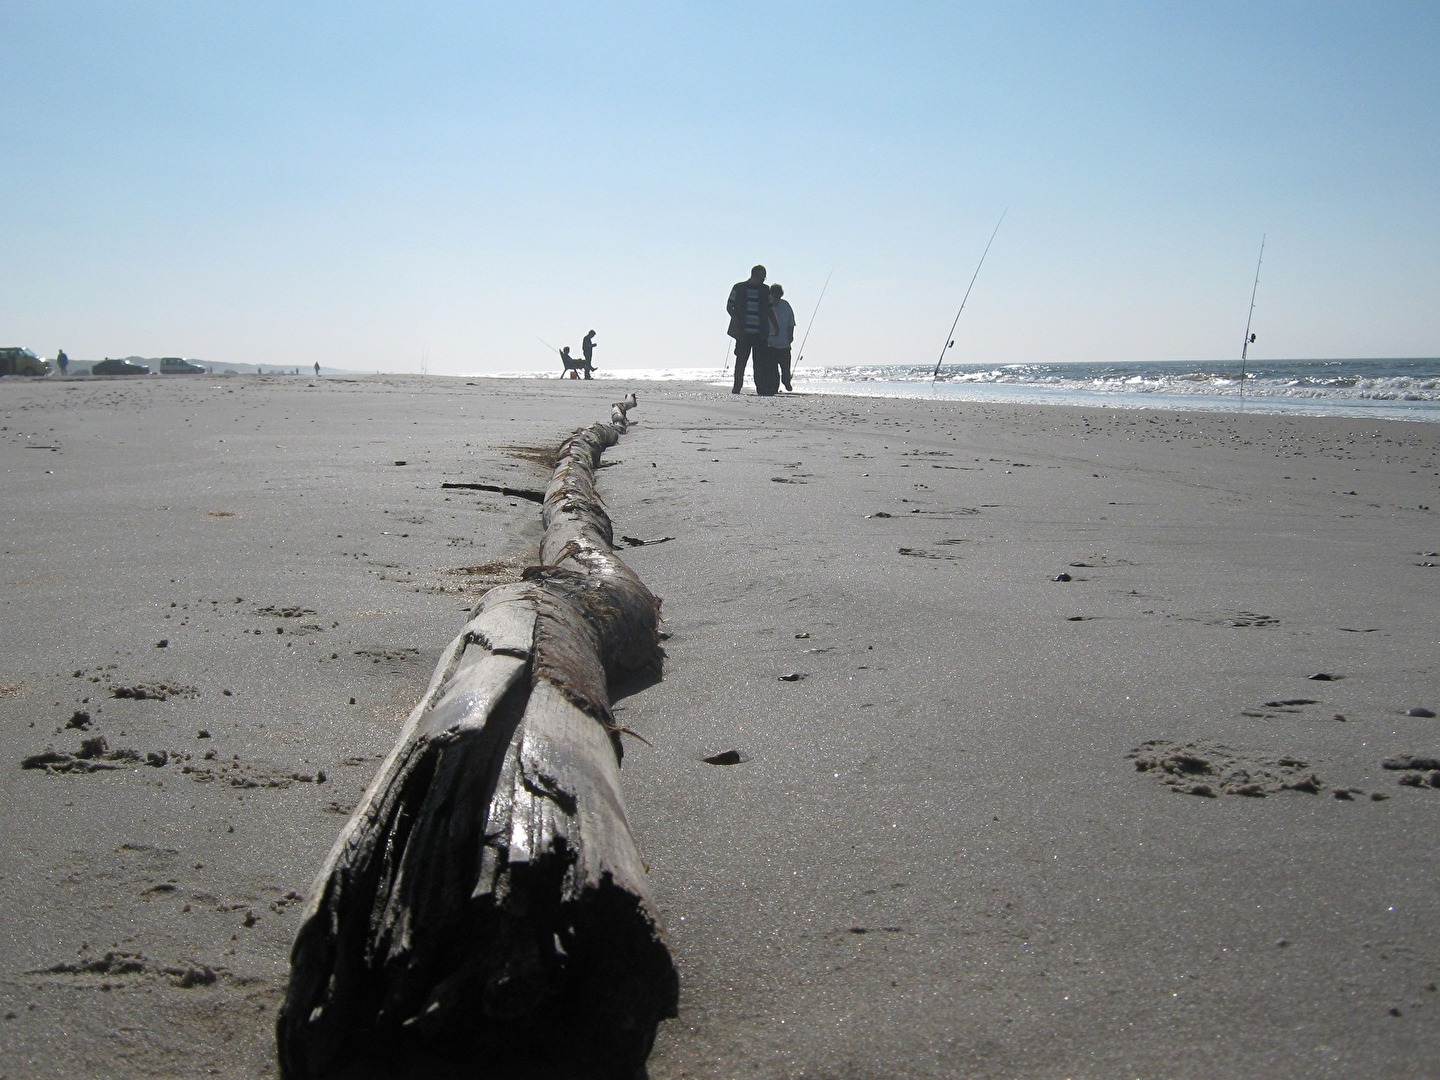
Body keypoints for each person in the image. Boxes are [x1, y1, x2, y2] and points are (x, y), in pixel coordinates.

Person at [726, 265, 774, 394]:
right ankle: (737, 387)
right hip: (743, 332)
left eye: (764, 277)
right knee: (741, 361)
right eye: (761, 277)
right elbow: (729, 306)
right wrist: (736, 319)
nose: (763, 279)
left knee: (759, 363)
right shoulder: (739, 287)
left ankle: (761, 388)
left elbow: (770, 309)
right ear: (754, 275)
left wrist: (775, 325)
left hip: (761, 332)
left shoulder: (765, 290)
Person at [767, 284, 796, 391]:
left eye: (778, 296)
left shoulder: (786, 305)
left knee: (785, 367)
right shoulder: (766, 305)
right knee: (773, 369)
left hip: (784, 343)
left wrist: (791, 335)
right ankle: (774, 387)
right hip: (770, 344)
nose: (776, 299)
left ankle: (786, 382)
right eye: (774, 296)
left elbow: (791, 322)